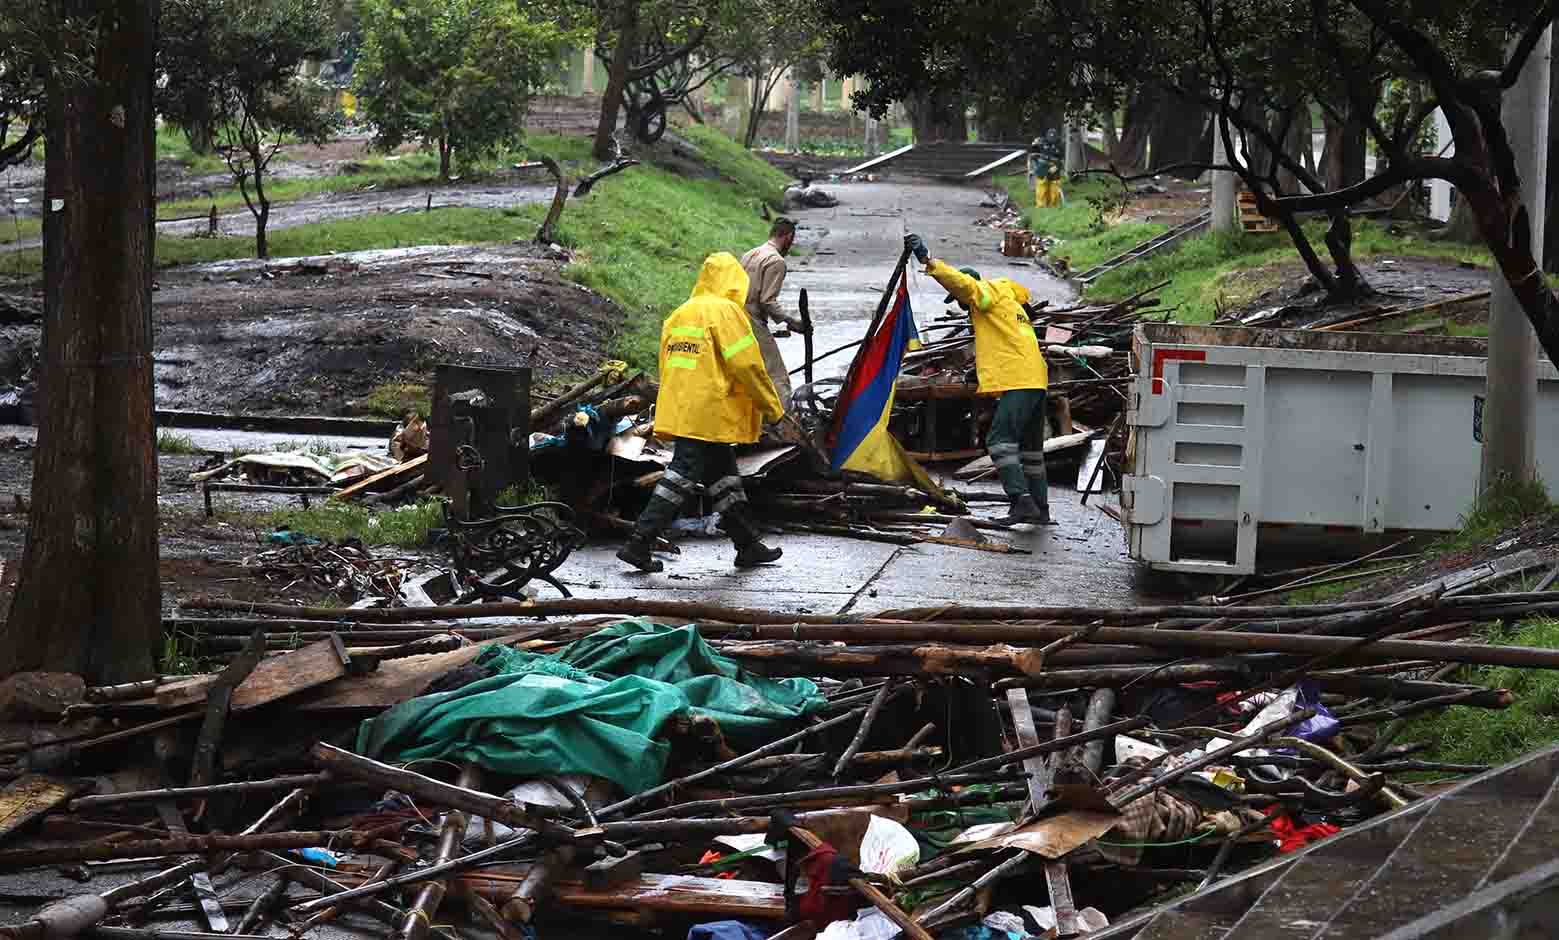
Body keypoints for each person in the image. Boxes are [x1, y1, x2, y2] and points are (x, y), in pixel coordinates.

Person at [617, 252, 788, 573]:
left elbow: (667, 366)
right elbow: (748, 366)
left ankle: (748, 544)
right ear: (734, 282)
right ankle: (638, 543)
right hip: (709, 412)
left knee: (724, 479)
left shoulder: (680, 313)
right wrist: (772, 407)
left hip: (683, 408)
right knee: (682, 474)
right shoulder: (726, 312)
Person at [904, 232, 1056, 526]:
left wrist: (927, 259)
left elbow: (962, 285)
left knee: (999, 441)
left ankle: (1021, 502)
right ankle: (1041, 509)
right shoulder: (1007, 304)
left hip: (1019, 380)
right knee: (1031, 451)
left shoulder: (984, 294)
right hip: (1035, 379)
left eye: (960, 300)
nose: (962, 306)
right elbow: (1006, 344)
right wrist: (981, 371)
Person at [740, 217, 808, 405]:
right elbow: (767, 301)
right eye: (791, 240)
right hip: (753, 321)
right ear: (788, 237)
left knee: (749, 372)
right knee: (776, 375)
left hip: (734, 318)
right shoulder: (776, 261)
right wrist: (791, 321)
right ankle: (784, 417)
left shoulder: (749, 254)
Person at [1031, 129, 1064, 209]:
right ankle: (1041, 206)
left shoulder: (1060, 145)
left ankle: (1053, 205)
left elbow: (1062, 159)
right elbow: (1033, 154)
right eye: (1050, 138)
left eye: (1053, 138)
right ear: (1046, 137)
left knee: (1054, 187)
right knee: (1041, 186)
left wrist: (1057, 167)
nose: (1051, 140)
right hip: (1042, 167)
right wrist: (1034, 145)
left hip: (1054, 167)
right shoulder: (1041, 142)